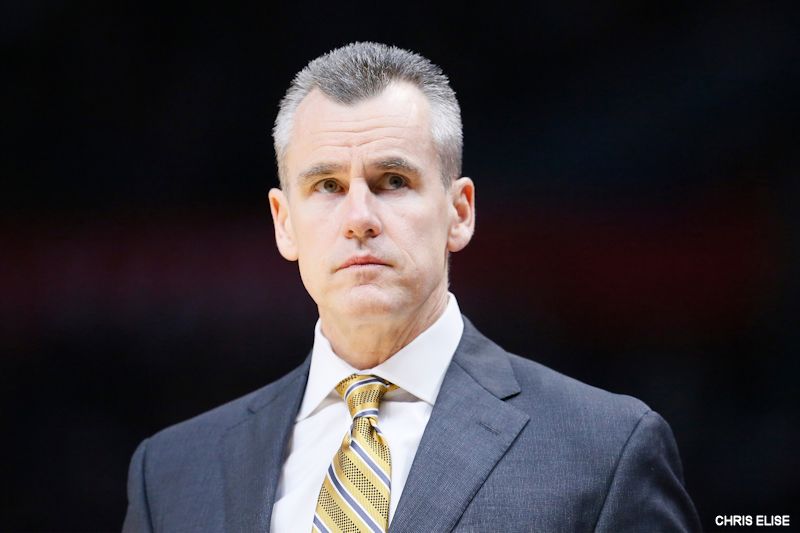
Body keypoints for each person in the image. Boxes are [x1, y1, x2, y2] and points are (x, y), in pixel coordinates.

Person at [122, 42, 700, 532]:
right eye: (327, 186)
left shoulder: (606, 452)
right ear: (284, 222)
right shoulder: (170, 473)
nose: (359, 218)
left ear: (459, 212)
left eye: (393, 180)